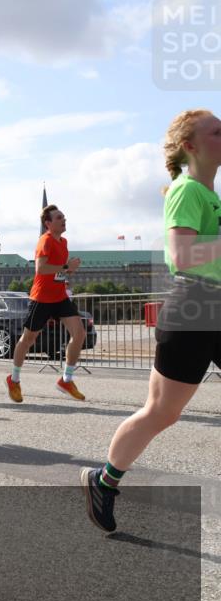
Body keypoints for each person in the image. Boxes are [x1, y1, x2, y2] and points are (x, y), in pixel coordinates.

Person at [82, 109, 221, 533]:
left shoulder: (210, 195)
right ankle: (103, 481)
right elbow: (183, 256)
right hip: (195, 309)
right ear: (191, 146)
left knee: (162, 412)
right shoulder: (186, 190)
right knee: (161, 413)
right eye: (217, 131)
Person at [5, 205, 86, 403]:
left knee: (79, 333)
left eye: (64, 217)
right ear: (48, 223)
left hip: (59, 297)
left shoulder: (63, 242)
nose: (63, 220)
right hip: (41, 298)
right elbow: (41, 268)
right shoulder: (45, 240)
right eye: (59, 217)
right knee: (28, 339)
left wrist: (68, 271)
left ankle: (66, 379)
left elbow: (57, 271)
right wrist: (66, 266)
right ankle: (14, 379)